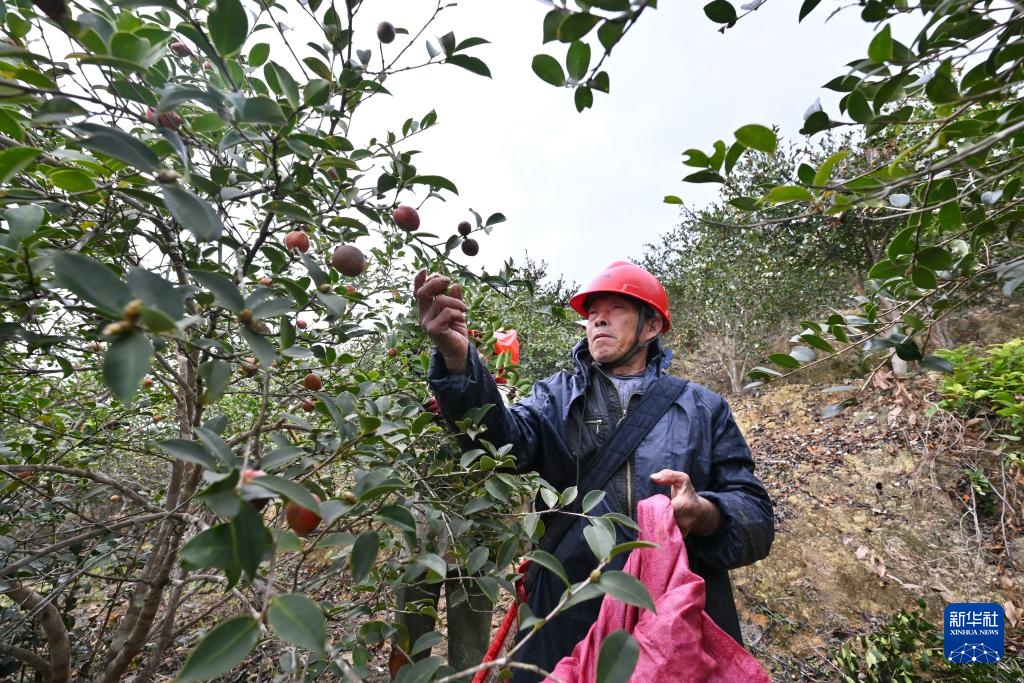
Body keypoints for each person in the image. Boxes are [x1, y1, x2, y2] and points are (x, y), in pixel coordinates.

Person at [414, 262, 774, 682]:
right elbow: (498, 443)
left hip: (671, 612)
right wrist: (459, 362)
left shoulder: (703, 409)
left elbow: (756, 517)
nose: (597, 318)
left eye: (616, 308)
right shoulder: (553, 397)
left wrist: (706, 512)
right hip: (566, 610)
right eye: (592, 312)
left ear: (652, 325)